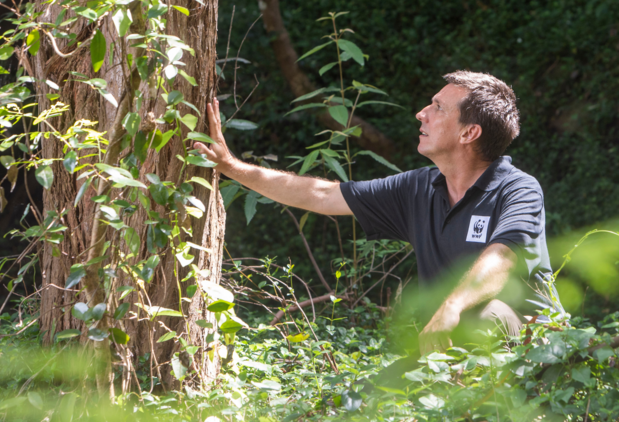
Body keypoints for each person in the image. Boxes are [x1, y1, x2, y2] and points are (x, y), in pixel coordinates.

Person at [194, 70, 557, 355]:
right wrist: (231, 166)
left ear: (469, 133)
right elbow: (322, 195)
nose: (422, 113)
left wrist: (451, 306)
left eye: (438, 108)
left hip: (533, 341)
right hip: (454, 340)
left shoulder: (517, 188)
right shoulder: (419, 188)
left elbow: (502, 259)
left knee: (484, 316)